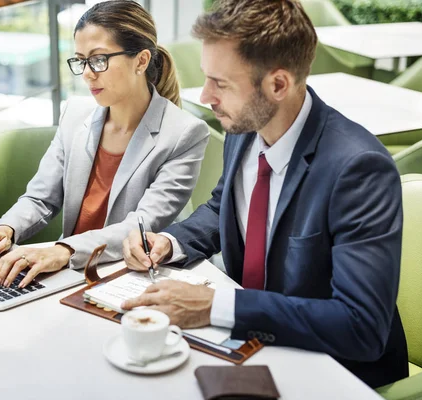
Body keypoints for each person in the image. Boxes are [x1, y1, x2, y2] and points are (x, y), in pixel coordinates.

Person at [122, 0, 407, 389]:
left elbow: (362, 326)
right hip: (250, 346)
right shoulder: (243, 127)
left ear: (277, 85)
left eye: (220, 83)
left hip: (334, 371)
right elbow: (226, 206)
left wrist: (216, 306)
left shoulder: (359, 168)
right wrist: (170, 242)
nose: (205, 96)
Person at [0, 0, 209, 289]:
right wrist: (6, 228)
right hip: (66, 274)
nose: (87, 73)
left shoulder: (185, 133)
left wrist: (64, 251)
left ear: (141, 60)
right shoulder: (75, 113)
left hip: (126, 277)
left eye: (99, 60)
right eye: (80, 60)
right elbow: (40, 198)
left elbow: (141, 225)